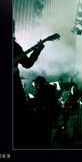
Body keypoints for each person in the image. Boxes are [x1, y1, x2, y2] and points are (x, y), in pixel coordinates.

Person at [13, 20, 45, 148]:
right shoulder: (14, 46)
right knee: (19, 115)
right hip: (14, 88)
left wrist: (37, 50)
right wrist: (37, 51)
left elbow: (27, 64)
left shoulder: (14, 46)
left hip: (14, 87)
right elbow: (27, 64)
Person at [30, 76, 59, 148]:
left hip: (43, 113)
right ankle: (47, 144)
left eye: (37, 85)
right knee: (48, 130)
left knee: (42, 130)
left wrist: (31, 102)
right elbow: (55, 101)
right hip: (51, 112)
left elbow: (37, 101)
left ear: (40, 83)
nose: (37, 86)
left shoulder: (41, 89)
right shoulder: (52, 88)